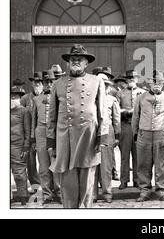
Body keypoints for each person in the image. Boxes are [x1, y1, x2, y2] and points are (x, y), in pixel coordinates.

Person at [47, 44, 109, 208]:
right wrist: (51, 142)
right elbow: (51, 116)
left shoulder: (96, 82)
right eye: (72, 59)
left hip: (88, 137)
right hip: (65, 138)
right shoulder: (58, 84)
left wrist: (101, 137)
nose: (75, 62)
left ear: (85, 63)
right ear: (68, 62)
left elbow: (103, 111)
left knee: (87, 180)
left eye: (79, 59)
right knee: (68, 183)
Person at [132, 70, 164, 202]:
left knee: (162, 164)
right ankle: (144, 190)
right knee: (143, 164)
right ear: (149, 82)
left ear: (163, 84)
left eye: (160, 82)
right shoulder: (141, 97)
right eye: (154, 81)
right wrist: (136, 134)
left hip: (161, 135)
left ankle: (161, 190)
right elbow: (136, 116)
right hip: (144, 135)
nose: (157, 84)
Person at [30, 70, 61, 204]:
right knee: (43, 166)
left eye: (51, 81)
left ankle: (59, 192)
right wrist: (33, 138)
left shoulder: (60, 97)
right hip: (41, 132)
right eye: (46, 82)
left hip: (55, 132)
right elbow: (34, 120)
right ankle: (47, 193)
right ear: (42, 83)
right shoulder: (36, 99)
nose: (48, 84)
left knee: (56, 163)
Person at [93, 71, 121, 203]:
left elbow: (116, 119)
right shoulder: (90, 99)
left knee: (106, 166)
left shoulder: (111, 100)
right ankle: (92, 194)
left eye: (104, 84)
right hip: (92, 133)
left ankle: (107, 193)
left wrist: (117, 136)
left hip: (107, 132)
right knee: (92, 165)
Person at [117, 70, 145, 189]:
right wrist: (127, 112)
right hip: (126, 125)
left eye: (133, 79)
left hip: (138, 127)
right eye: (129, 79)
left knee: (138, 155)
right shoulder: (120, 94)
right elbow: (116, 109)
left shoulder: (143, 93)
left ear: (137, 79)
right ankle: (124, 180)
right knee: (124, 155)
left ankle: (137, 180)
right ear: (126, 80)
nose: (131, 81)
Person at [21, 72, 43, 188]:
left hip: (42, 132)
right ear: (32, 84)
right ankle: (35, 185)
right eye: (35, 82)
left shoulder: (46, 98)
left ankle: (48, 185)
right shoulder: (25, 99)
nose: (37, 85)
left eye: (39, 82)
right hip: (29, 133)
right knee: (31, 161)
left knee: (45, 161)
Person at [11, 86, 31, 206]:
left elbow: (27, 130)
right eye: (10, 97)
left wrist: (26, 146)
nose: (12, 99)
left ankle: (23, 196)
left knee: (19, 172)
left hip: (17, 145)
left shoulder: (24, 111)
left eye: (15, 97)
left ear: (19, 98)